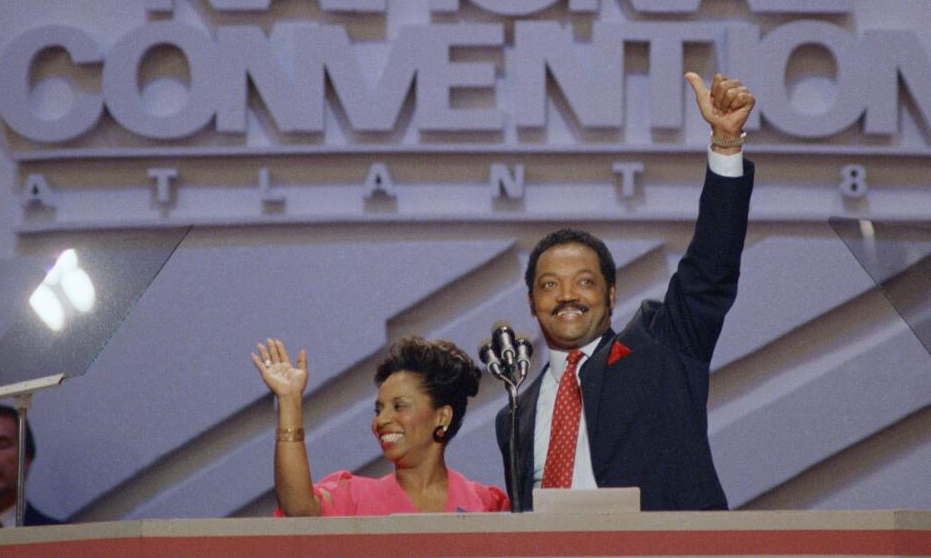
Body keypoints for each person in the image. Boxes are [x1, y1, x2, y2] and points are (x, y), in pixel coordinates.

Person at [497, 72, 755, 511]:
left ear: (611, 295)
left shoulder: (662, 348)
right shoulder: (513, 417)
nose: (566, 296)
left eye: (584, 282)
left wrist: (725, 144)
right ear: (531, 303)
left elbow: (710, 270)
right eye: (549, 285)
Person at [253, 335, 510, 515]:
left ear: (442, 417)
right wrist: (288, 401)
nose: (381, 420)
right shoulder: (354, 498)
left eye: (399, 406)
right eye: (379, 409)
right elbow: (297, 507)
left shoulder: (485, 505)